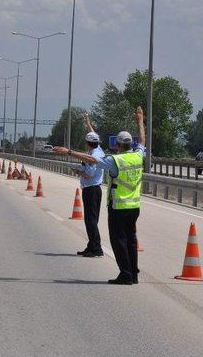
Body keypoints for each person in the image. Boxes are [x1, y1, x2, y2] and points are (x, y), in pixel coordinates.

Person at [54, 106, 145, 285]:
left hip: (118, 207)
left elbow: (93, 160)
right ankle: (133, 274)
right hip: (134, 207)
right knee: (131, 241)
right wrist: (140, 121)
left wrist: (69, 152)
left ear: (117, 145)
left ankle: (125, 274)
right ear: (130, 144)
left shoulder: (114, 161)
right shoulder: (138, 156)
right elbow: (142, 140)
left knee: (119, 242)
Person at [71, 113, 105, 258]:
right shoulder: (97, 150)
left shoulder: (93, 156)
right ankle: (91, 246)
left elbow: (89, 175)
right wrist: (88, 122)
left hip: (91, 190)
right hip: (93, 190)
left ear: (87, 143)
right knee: (92, 219)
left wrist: (78, 171)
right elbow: (93, 134)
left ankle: (97, 248)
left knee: (90, 220)